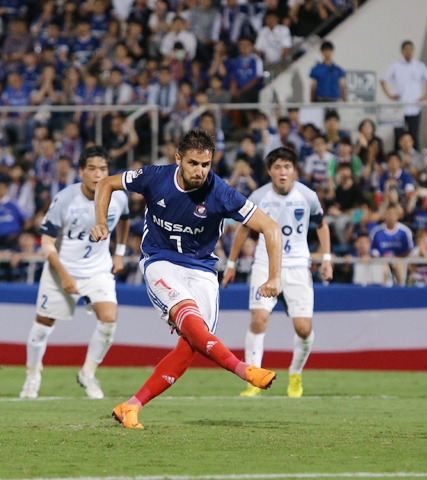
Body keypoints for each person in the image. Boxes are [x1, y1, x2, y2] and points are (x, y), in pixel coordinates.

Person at [90, 129, 283, 428]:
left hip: (203, 271)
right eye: (193, 163)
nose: (200, 171)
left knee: (192, 344)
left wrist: (274, 276)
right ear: (178, 159)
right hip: (160, 261)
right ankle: (243, 369)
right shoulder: (154, 177)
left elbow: (271, 228)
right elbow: (106, 183)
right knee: (192, 324)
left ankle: (131, 406)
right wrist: (101, 221)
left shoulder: (221, 193)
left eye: (206, 165)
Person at [19, 146, 130, 400]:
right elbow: (46, 242)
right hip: (62, 270)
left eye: (103, 169)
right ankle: (32, 377)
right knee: (43, 325)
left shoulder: (118, 196)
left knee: (109, 319)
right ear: (81, 172)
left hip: (97, 271)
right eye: (92, 169)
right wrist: (65, 275)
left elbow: (125, 219)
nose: (98, 174)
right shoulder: (66, 199)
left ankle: (87, 374)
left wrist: (120, 252)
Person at [222, 147, 332, 398]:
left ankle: (295, 372)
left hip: (297, 266)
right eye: (277, 167)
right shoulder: (259, 197)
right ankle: (253, 378)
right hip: (264, 263)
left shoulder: (308, 196)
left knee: (304, 329)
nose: (283, 172)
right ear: (270, 171)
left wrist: (326, 259)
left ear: (295, 170)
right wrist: (231, 264)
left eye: (287, 167)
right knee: (258, 320)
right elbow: (242, 230)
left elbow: (321, 226)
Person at [380, 40, 427, 149]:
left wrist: (425, 96)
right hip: (399, 107)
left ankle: (415, 160)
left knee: (414, 135)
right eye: (406, 50)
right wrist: (389, 95)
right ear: (402, 51)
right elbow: (383, 80)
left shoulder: (419, 65)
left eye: (411, 49)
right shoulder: (395, 65)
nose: (409, 52)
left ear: (413, 51)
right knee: (398, 136)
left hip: (415, 107)